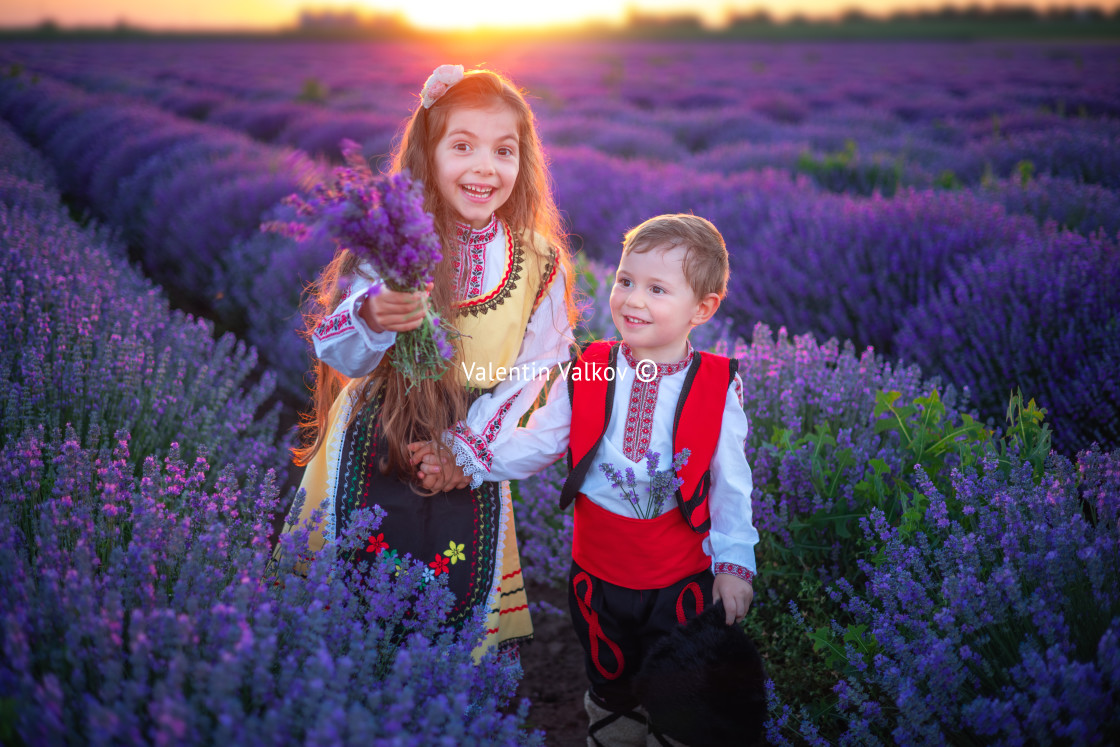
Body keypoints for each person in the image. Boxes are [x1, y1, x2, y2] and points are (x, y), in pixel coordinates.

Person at [418, 214, 758, 746]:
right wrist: (471, 460)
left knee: (684, 689)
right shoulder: (594, 366)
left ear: (704, 308)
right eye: (626, 281)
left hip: (680, 577)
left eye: (657, 289)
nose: (633, 300)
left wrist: (735, 564)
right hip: (598, 571)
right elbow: (547, 437)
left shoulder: (717, 383)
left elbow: (732, 483)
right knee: (609, 682)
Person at [283, 64, 576, 658]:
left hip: (473, 453)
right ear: (428, 151)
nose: (485, 168)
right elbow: (340, 353)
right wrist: (372, 316)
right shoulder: (393, 243)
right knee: (346, 616)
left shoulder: (540, 263)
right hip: (376, 442)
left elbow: (540, 378)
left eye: (504, 151)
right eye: (462, 146)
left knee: (451, 619)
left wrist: (467, 455)